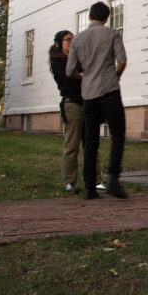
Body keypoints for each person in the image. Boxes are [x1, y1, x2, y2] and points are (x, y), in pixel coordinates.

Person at [67, 1, 129, 200]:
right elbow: (122, 60)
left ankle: (89, 187)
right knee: (117, 134)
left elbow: (70, 70)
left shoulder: (78, 39)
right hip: (109, 90)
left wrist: (84, 77)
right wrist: (116, 75)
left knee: (91, 139)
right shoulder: (112, 33)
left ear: (89, 17)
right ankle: (112, 178)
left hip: (89, 94)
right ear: (106, 18)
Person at [49, 31, 105, 195]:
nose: (71, 43)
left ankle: (95, 180)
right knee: (72, 145)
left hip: (87, 102)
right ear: (60, 43)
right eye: (68, 40)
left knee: (91, 144)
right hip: (71, 104)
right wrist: (82, 77)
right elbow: (68, 78)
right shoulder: (57, 62)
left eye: (73, 40)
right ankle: (69, 182)